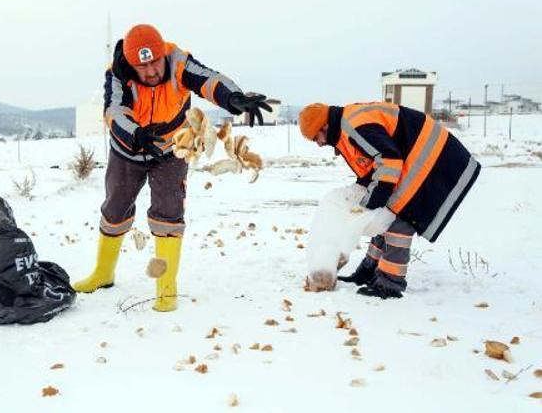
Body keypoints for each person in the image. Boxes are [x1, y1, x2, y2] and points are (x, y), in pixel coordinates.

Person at [73, 24, 271, 311]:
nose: (151, 71)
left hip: (171, 148)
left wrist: (232, 97)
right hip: (129, 147)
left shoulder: (178, 61)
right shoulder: (117, 75)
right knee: (115, 209)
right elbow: (114, 112)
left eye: (155, 61)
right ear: (130, 63)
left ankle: (166, 288)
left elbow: (209, 80)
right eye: (143, 66)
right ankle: (103, 274)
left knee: (169, 212)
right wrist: (138, 135)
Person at [298, 102, 481, 298]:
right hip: (420, 157)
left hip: (436, 159)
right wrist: (366, 196)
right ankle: (369, 271)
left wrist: (373, 200)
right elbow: (372, 164)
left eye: (315, 137)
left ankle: (390, 283)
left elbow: (389, 160)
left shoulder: (354, 126)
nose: (318, 143)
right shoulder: (346, 126)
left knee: (399, 214)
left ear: (324, 126)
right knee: (381, 213)